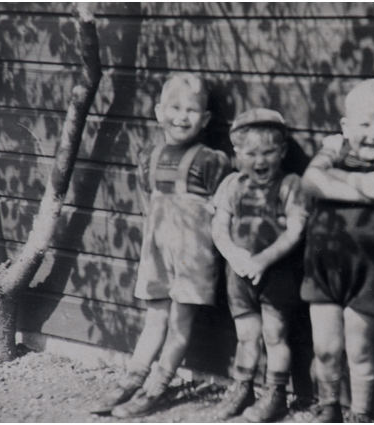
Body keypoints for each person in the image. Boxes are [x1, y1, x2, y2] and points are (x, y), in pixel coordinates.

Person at [90, 73, 231, 418]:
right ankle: (133, 378)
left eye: (192, 110)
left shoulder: (210, 160)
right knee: (155, 317)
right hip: (157, 252)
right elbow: (147, 203)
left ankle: (158, 383)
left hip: (193, 256)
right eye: (175, 107)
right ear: (159, 111)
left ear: (206, 119)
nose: (182, 116)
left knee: (180, 321)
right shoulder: (148, 156)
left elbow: (224, 208)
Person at [300, 79, 374, 422]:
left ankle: (361, 413)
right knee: (325, 348)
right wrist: (368, 187)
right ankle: (328, 406)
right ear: (345, 127)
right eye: (364, 125)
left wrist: (340, 181)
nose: (373, 134)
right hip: (322, 264)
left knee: (359, 349)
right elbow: (310, 181)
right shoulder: (335, 148)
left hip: (371, 272)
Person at [211, 109, 308, 422]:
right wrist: (232, 254)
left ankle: (276, 395)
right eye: (250, 153)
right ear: (237, 154)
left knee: (274, 334)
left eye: (268, 152)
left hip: (277, 274)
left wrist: (264, 259)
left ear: (281, 151)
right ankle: (243, 388)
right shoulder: (232, 184)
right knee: (246, 335)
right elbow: (219, 226)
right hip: (238, 275)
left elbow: (296, 229)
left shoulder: (289, 184)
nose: (260, 161)